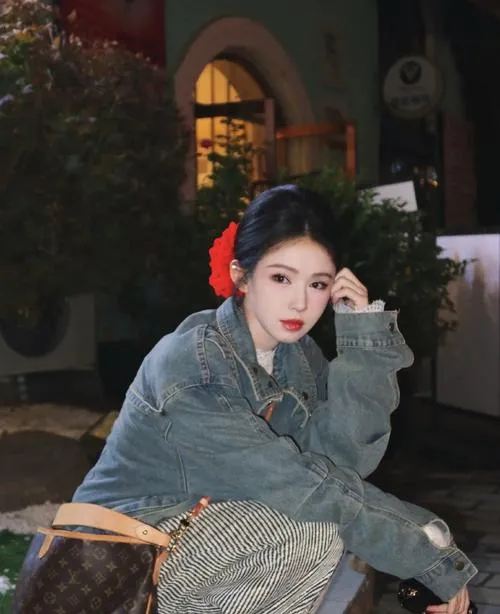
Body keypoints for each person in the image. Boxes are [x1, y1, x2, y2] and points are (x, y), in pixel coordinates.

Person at [73, 185, 476, 614]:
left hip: (193, 542)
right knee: (311, 530)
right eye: (281, 278)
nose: (300, 302)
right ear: (241, 275)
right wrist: (426, 554)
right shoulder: (192, 365)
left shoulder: (297, 358)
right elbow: (299, 486)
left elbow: (342, 464)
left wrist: (362, 338)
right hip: (116, 560)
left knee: (316, 525)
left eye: (317, 284)